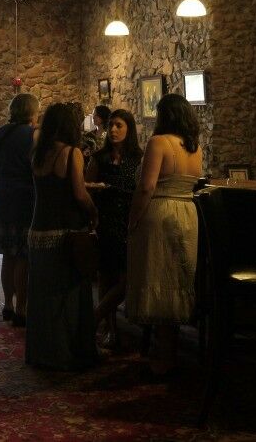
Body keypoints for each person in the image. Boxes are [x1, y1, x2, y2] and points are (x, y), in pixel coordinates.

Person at [126, 93, 202, 375]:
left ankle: (164, 356)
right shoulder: (194, 147)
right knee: (177, 279)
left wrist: (133, 219)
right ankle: (168, 353)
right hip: (187, 213)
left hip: (160, 213)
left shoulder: (159, 143)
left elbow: (146, 187)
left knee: (158, 276)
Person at [26, 102, 99, 370]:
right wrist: (93, 211)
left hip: (37, 232)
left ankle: (42, 352)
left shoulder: (38, 153)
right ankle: (67, 353)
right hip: (63, 232)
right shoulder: (71, 153)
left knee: (41, 296)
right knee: (66, 296)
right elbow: (79, 193)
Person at [86, 109, 143, 348]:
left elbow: (141, 188)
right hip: (106, 220)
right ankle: (110, 328)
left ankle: (95, 317)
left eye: (119, 125)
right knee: (106, 275)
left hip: (129, 220)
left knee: (127, 278)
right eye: (110, 126)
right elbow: (86, 186)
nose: (113, 130)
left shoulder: (138, 157)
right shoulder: (99, 158)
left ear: (129, 128)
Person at [0, 93, 39, 327]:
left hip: (3, 196)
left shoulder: (0, 133)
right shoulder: (33, 135)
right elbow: (37, 168)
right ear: (33, 111)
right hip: (25, 197)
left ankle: (7, 303)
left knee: (8, 255)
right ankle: (22, 308)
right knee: (23, 256)